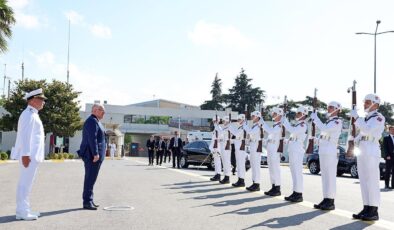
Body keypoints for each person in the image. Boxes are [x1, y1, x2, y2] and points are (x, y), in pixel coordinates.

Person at [12, 88, 47, 220]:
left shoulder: (33, 114)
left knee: (27, 184)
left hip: (32, 156)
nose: (43, 102)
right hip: (29, 156)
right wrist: (26, 155)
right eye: (41, 99)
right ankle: (22, 212)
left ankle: (24, 209)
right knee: (24, 184)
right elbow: (25, 136)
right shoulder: (28, 114)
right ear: (33, 100)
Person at [351, 94, 385, 221]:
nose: (365, 104)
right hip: (363, 148)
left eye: (368, 102)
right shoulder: (366, 118)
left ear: (375, 104)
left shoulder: (379, 118)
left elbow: (368, 130)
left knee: (372, 180)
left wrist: (356, 117)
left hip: (371, 149)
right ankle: (366, 207)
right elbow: (363, 132)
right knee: (364, 180)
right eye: (364, 102)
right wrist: (355, 139)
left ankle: (374, 209)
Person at [310, 101, 342, 210]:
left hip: (330, 152)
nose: (328, 109)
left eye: (331, 107)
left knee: (330, 177)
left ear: (337, 109)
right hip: (323, 151)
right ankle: (325, 198)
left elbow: (325, 129)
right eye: (328, 107)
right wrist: (317, 140)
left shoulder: (337, 122)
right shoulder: (328, 122)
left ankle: (331, 200)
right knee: (324, 176)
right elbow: (324, 136)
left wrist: (316, 118)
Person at [78, 103, 106, 210]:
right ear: (94, 110)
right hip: (92, 156)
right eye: (101, 110)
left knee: (92, 178)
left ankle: (90, 199)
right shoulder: (91, 121)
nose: (104, 112)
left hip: (95, 156)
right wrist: (95, 153)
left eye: (104, 111)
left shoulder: (97, 121)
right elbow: (92, 138)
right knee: (90, 178)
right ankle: (87, 202)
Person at [282, 106, 308, 202]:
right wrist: (287, 141)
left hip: (297, 151)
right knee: (294, 173)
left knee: (297, 172)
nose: (296, 115)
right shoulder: (298, 125)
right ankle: (295, 192)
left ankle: (299, 194)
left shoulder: (302, 125)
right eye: (297, 113)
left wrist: (285, 120)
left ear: (303, 115)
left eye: (298, 113)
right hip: (293, 150)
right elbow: (293, 137)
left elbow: (292, 131)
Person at [261, 107, 283, 196]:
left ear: (278, 115)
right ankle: (273, 186)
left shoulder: (279, 126)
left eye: (274, 114)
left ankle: (277, 188)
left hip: (275, 149)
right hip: (270, 148)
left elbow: (271, 131)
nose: (272, 115)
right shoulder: (274, 125)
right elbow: (270, 136)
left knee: (275, 168)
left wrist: (262, 122)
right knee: (271, 168)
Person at [243, 111, 263, 192]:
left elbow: (251, 132)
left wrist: (245, 125)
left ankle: (257, 183)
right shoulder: (254, 126)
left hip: (256, 146)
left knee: (256, 166)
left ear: (257, 117)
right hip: (253, 145)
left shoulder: (258, 126)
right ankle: (254, 182)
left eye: (253, 116)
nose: (251, 117)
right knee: (253, 165)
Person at [229, 114, 247, 187]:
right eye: (238, 120)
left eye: (239, 119)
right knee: (239, 164)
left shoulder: (243, 127)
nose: (238, 121)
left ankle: (242, 180)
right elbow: (236, 138)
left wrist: (229, 126)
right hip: (238, 147)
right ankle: (239, 180)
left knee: (241, 165)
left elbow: (236, 134)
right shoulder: (240, 127)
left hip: (241, 148)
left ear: (243, 120)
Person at [218, 116, 232, 184]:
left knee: (226, 162)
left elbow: (230, 137)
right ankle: (225, 176)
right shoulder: (224, 128)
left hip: (226, 145)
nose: (223, 122)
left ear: (227, 121)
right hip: (223, 145)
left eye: (224, 121)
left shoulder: (229, 128)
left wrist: (228, 144)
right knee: (224, 161)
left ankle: (227, 177)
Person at [210, 117, 222, 181]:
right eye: (213, 121)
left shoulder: (219, 128)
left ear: (218, 121)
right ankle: (216, 174)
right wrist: (211, 148)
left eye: (215, 121)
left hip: (217, 147)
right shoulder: (215, 129)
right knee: (215, 162)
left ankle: (218, 174)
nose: (214, 122)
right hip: (214, 147)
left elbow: (220, 137)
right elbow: (213, 140)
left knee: (218, 162)